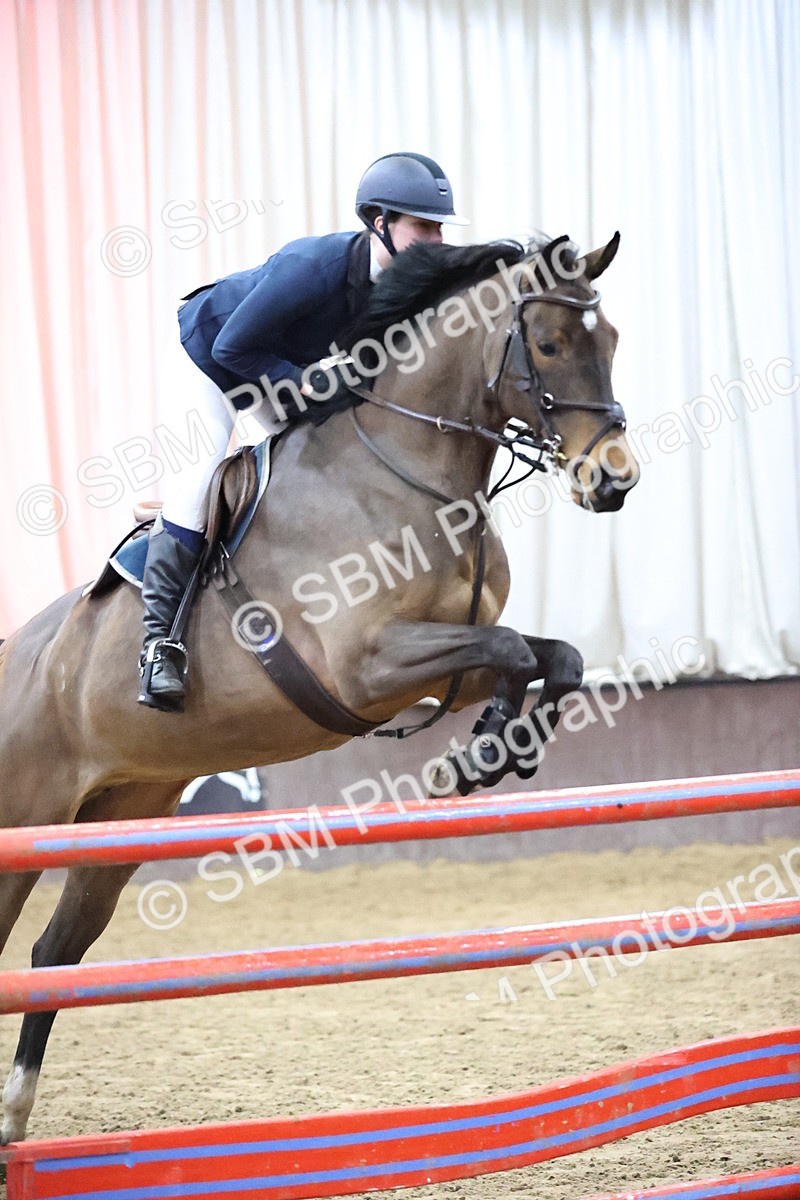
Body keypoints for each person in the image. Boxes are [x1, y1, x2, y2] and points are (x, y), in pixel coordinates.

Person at [138, 152, 469, 711]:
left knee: (336, 461)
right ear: (379, 222)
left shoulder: (408, 289)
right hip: (210, 360)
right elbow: (232, 348)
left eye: (439, 227)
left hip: (278, 370)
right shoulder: (313, 266)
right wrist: (308, 382)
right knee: (197, 482)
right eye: (423, 226)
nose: (436, 240)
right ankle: (158, 647)